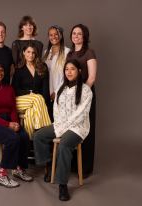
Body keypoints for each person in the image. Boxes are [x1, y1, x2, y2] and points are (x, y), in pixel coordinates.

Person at [33, 59, 93, 201]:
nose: (69, 72)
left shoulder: (85, 90)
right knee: (38, 136)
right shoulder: (61, 87)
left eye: (72, 69)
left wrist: (64, 128)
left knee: (64, 145)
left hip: (77, 127)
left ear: (79, 71)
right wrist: (60, 125)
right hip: (60, 124)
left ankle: (62, 185)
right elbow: (56, 109)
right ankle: (49, 165)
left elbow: (81, 114)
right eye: (66, 69)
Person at [0, 62, 33, 188]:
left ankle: (18, 169)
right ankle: (2, 175)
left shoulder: (9, 88)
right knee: (12, 138)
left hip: (8, 120)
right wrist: (8, 125)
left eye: (1, 70)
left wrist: (16, 123)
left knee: (24, 136)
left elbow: (13, 109)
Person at [66, 24, 97, 178]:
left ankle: (85, 168)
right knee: (73, 128)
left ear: (84, 36)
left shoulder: (89, 53)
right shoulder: (70, 54)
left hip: (86, 94)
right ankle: (73, 165)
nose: (76, 36)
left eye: (79, 34)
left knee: (86, 129)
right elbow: (68, 76)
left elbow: (91, 77)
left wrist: (82, 94)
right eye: (74, 33)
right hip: (71, 95)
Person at [12, 43, 51, 138]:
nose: (31, 55)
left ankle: (29, 144)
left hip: (37, 104)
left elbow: (45, 90)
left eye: (33, 53)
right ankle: (42, 129)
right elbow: (14, 89)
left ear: (36, 54)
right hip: (21, 101)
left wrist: (45, 102)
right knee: (37, 98)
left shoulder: (42, 67)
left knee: (30, 113)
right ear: (23, 53)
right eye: (28, 52)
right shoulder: (19, 69)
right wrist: (29, 93)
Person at [43, 25, 70, 120]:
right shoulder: (46, 53)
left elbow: (68, 75)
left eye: (56, 34)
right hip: (47, 94)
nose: (53, 37)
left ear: (61, 35)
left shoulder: (67, 52)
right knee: (48, 121)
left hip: (60, 93)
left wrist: (57, 92)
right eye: (51, 35)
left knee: (60, 122)